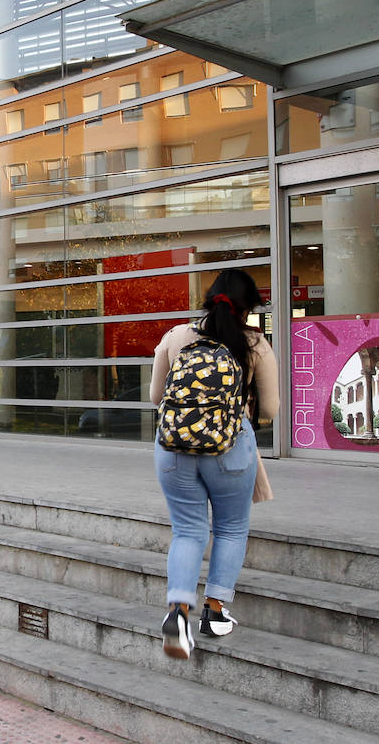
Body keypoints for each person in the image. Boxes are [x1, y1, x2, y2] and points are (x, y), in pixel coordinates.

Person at [149, 268, 279, 660]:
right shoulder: (254, 343)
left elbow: (157, 396)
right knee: (231, 528)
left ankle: (178, 612)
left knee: (187, 530)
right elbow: (270, 410)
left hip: (173, 447)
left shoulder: (176, 336)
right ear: (248, 306)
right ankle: (216, 612)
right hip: (230, 448)